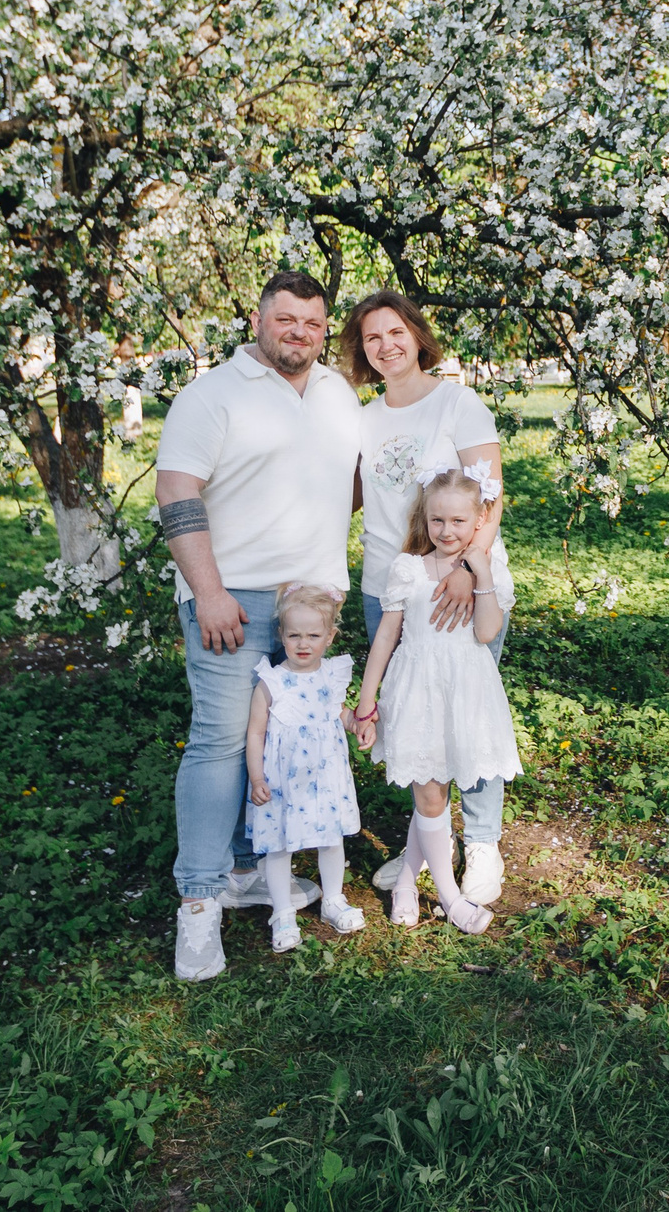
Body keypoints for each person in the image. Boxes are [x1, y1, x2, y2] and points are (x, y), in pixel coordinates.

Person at [156, 270, 366, 982]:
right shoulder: (211, 395)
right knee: (221, 739)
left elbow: (353, 478)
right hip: (235, 597)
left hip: (313, 601)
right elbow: (175, 489)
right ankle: (198, 903)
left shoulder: (338, 391)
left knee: (282, 737)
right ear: (257, 318)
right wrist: (208, 589)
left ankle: (246, 871)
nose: (298, 333)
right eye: (285, 319)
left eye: (311, 322)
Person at [340, 290, 512, 904]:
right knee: (416, 716)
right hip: (392, 586)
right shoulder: (362, 419)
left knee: (470, 713)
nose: (385, 345)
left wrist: (470, 568)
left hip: (464, 583)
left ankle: (484, 843)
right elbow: (349, 498)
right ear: (362, 352)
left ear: (416, 335)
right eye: (371, 338)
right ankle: (425, 846)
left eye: (395, 332)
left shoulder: (457, 402)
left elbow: (489, 498)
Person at [353, 465, 518, 935]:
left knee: (437, 787)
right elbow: (385, 639)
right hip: (417, 690)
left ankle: (407, 882)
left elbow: (486, 632)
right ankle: (450, 898)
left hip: (465, 691)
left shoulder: (488, 571)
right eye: (437, 521)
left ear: (480, 520)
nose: (446, 532)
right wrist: (367, 705)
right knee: (428, 791)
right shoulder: (408, 569)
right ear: (425, 520)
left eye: (458, 522)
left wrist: (480, 570)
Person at [243, 584, 366, 954]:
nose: (303, 643)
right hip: (281, 782)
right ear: (281, 635)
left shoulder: (331, 675)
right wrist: (256, 777)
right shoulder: (271, 682)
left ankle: (333, 900)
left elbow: (338, 713)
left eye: (313, 635)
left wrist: (356, 722)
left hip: (325, 778)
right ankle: (282, 912)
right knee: (279, 846)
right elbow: (256, 732)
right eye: (294, 634)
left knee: (332, 839)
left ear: (330, 637)